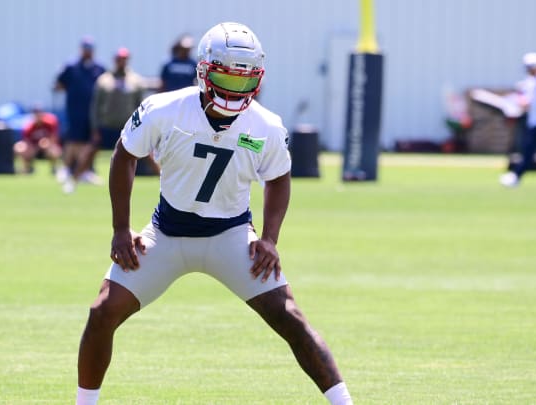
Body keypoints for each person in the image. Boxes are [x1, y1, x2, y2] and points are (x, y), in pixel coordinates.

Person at [74, 22, 353, 405]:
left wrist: (269, 240)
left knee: (290, 318)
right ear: (204, 71)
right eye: (226, 78)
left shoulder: (266, 125)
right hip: (166, 234)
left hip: (231, 236)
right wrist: (121, 229)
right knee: (102, 311)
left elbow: (279, 177)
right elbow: (125, 155)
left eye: (244, 82)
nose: (235, 90)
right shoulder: (164, 108)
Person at [67, 47, 150, 188]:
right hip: (107, 125)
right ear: (115, 60)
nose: (121, 62)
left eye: (124, 59)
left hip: (127, 126)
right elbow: (95, 106)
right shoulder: (104, 80)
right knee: (90, 152)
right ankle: (73, 181)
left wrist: (141, 126)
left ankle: (161, 177)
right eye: (119, 59)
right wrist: (95, 128)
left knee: (146, 153)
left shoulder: (135, 80)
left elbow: (140, 106)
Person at [54, 36, 106, 191]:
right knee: (73, 140)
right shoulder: (71, 66)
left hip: (93, 110)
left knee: (90, 140)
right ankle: (66, 168)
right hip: (75, 109)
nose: (87, 52)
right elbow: (59, 84)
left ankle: (86, 170)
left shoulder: (98, 68)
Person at [500, 52, 536, 187]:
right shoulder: (533, 79)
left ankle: (516, 177)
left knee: (529, 149)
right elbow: (525, 93)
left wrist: (528, 104)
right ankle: (516, 177)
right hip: (535, 120)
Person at [14, 104, 61, 174]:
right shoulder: (29, 126)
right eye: (35, 113)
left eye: (39, 112)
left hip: (47, 149)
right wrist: (36, 147)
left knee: (54, 151)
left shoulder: (50, 124)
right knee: (19, 147)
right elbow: (26, 142)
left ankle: (54, 168)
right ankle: (28, 168)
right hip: (34, 149)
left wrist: (46, 143)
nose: (38, 115)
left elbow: (54, 138)